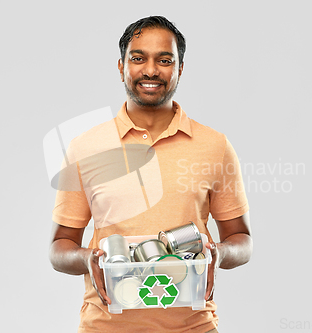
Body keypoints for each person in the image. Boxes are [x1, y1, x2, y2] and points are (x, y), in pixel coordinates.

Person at [49, 16, 252, 333]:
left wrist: (219, 253)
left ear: (180, 69)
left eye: (165, 59)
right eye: (138, 58)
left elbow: (242, 240)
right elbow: (60, 247)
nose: (151, 70)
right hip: (104, 326)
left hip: (193, 326)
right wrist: (89, 258)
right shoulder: (85, 147)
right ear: (121, 67)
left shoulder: (214, 145)